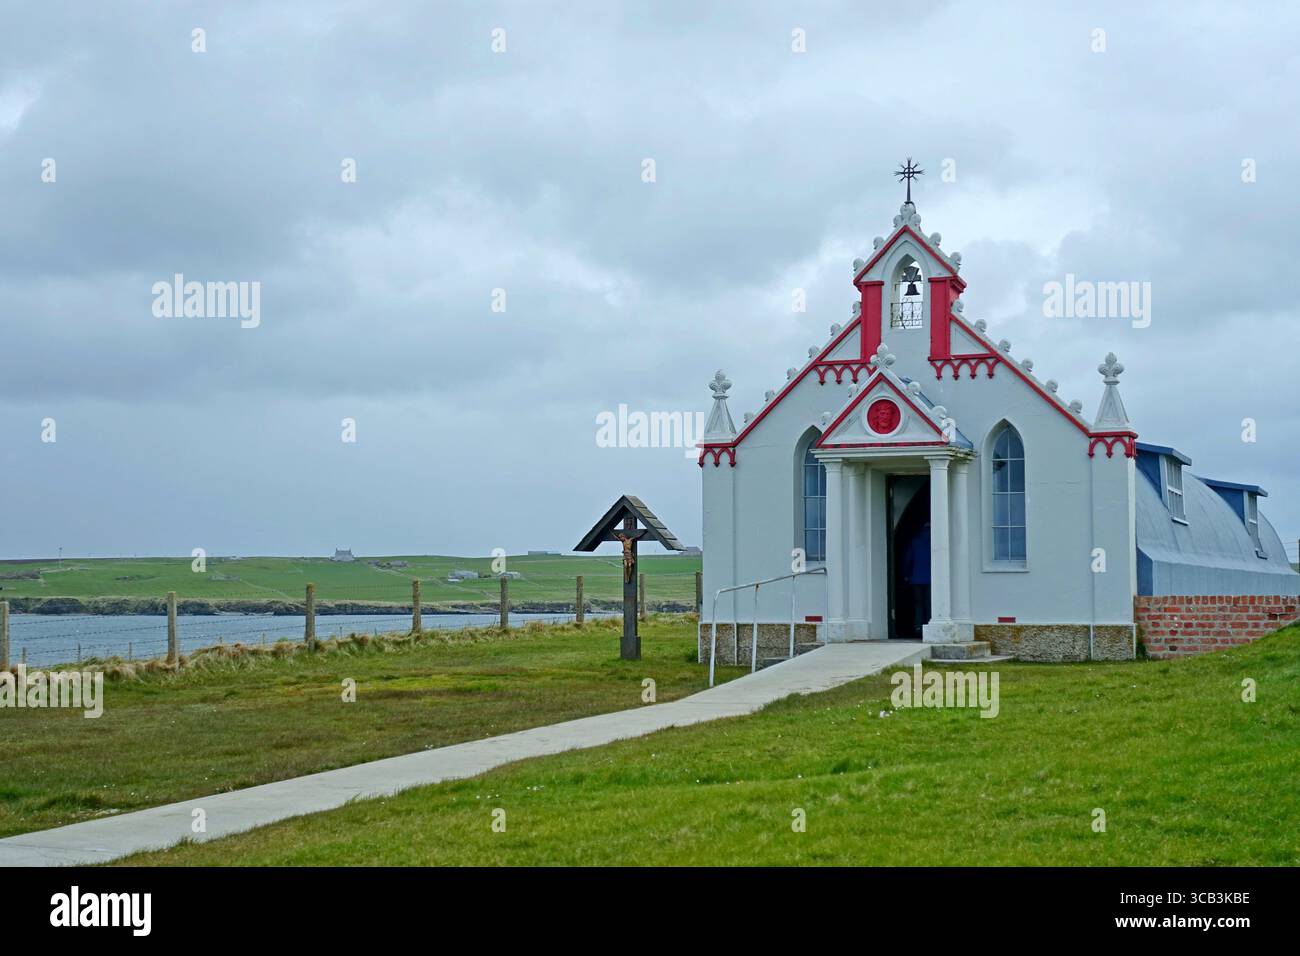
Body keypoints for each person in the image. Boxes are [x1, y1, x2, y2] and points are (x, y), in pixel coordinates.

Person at [900, 521, 931, 638]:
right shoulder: (934, 540)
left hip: (916, 578)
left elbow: (908, 559)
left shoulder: (915, 540)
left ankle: (918, 626)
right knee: (929, 603)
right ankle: (929, 624)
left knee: (918, 604)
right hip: (931, 579)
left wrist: (906, 574)